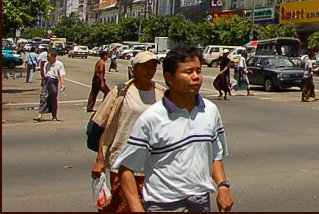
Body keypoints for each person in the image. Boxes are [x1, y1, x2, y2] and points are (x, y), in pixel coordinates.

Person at [113, 44, 235, 213]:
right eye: (188, 72)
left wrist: (223, 186)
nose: (196, 77)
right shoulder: (152, 118)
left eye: (198, 71)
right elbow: (126, 168)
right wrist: (136, 208)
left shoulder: (210, 111)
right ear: (169, 77)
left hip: (200, 202)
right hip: (163, 204)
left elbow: (215, 154)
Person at [91, 51, 166, 212]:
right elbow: (104, 125)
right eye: (145, 66)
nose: (150, 70)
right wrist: (100, 160)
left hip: (151, 166)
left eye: (153, 66)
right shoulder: (121, 92)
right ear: (134, 69)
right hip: (122, 163)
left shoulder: (161, 93)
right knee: (122, 208)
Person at [34, 50, 65, 122]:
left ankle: (54, 115)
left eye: (49, 56)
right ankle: (40, 115)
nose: (47, 57)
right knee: (43, 97)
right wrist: (43, 81)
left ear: (53, 56)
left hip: (54, 81)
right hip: (47, 81)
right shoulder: (46, 64)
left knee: (53, 98)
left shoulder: (59, 64)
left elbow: (61, 74)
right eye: (47, 56)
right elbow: (44, 74)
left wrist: (62, 84)